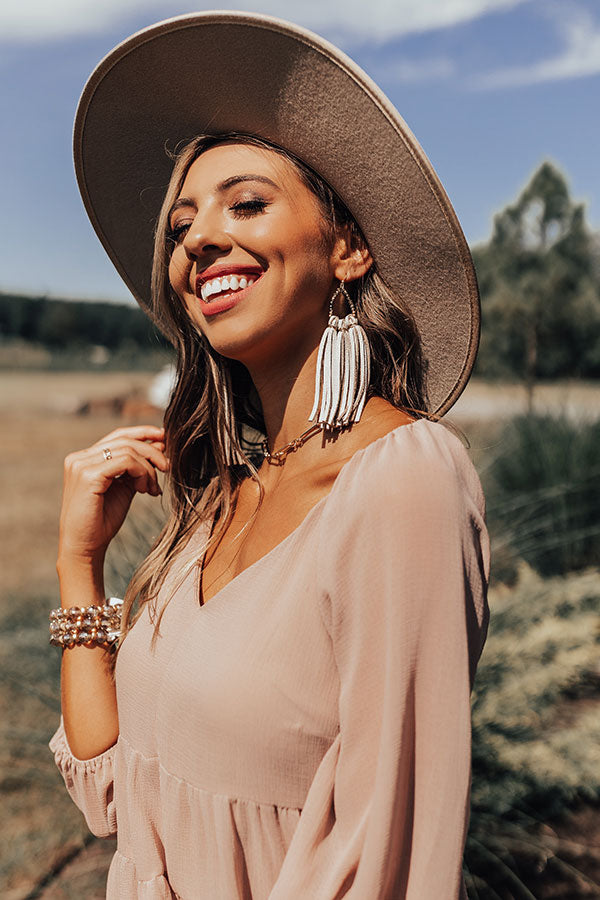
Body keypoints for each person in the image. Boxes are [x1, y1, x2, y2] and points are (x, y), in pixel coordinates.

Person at [49, 12, 490, 899]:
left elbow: (384, 856)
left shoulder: (403, 481)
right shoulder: (222, 499)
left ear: (348, 249)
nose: (198, 240)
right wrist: (78, 561)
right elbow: (115, 794)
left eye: (245, 204)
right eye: (182, 226)